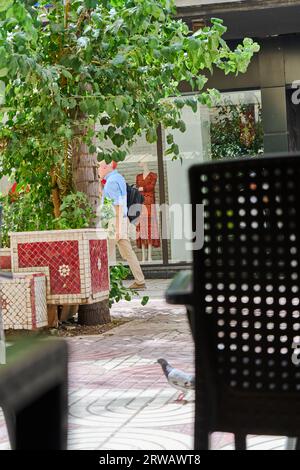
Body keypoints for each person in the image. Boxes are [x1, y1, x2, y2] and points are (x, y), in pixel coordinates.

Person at [98, 161, 146, 290]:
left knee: (105, 252)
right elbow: (114, 200)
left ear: (105, 167)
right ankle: (140, 281)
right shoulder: (118, 177)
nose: (98, 169)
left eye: (98, 167)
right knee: (128, 253)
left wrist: (118, 228)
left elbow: (118, 205)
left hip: (115, 221)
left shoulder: (111, 182)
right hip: (121, 219)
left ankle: (103, 283)